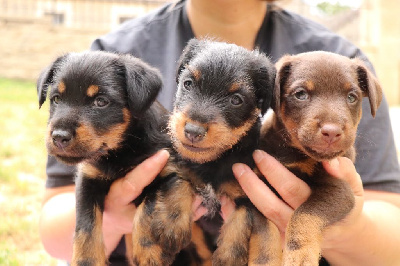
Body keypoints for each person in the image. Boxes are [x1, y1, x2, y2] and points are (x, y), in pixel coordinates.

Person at [39, 0, 400, 265]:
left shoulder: (343, 60)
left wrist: (345, 230)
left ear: (266, 104)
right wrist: (114, 215)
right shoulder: (108, 54)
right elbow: (54, 227)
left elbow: (390, 235)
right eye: (187, 85)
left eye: (236, 99)